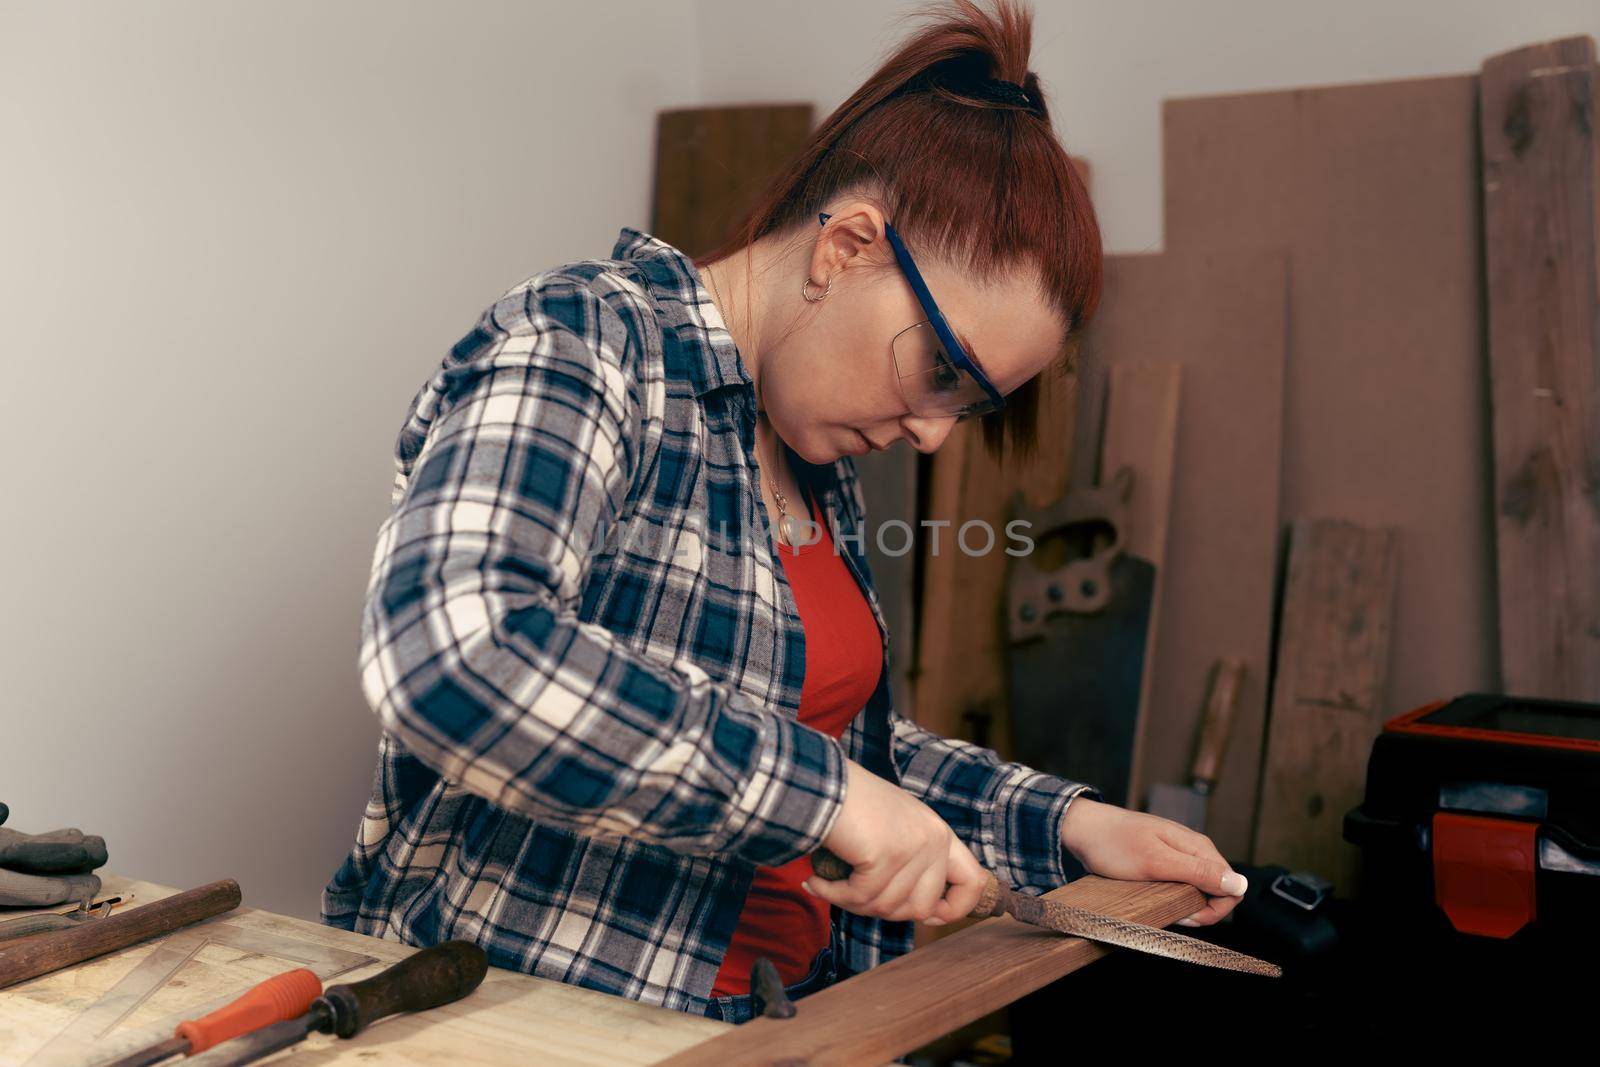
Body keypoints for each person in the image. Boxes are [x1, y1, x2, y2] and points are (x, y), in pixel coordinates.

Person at [321, 0, 1247, 1025]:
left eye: (969, 404)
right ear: (846, 246)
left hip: (787, 1015)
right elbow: (456, 651)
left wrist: (1066, 825)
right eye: (941, 368)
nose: (937, 435)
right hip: (562, 1024)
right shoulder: (587, 343)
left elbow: (840, 747)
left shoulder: (810, 458)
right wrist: (827, 800)